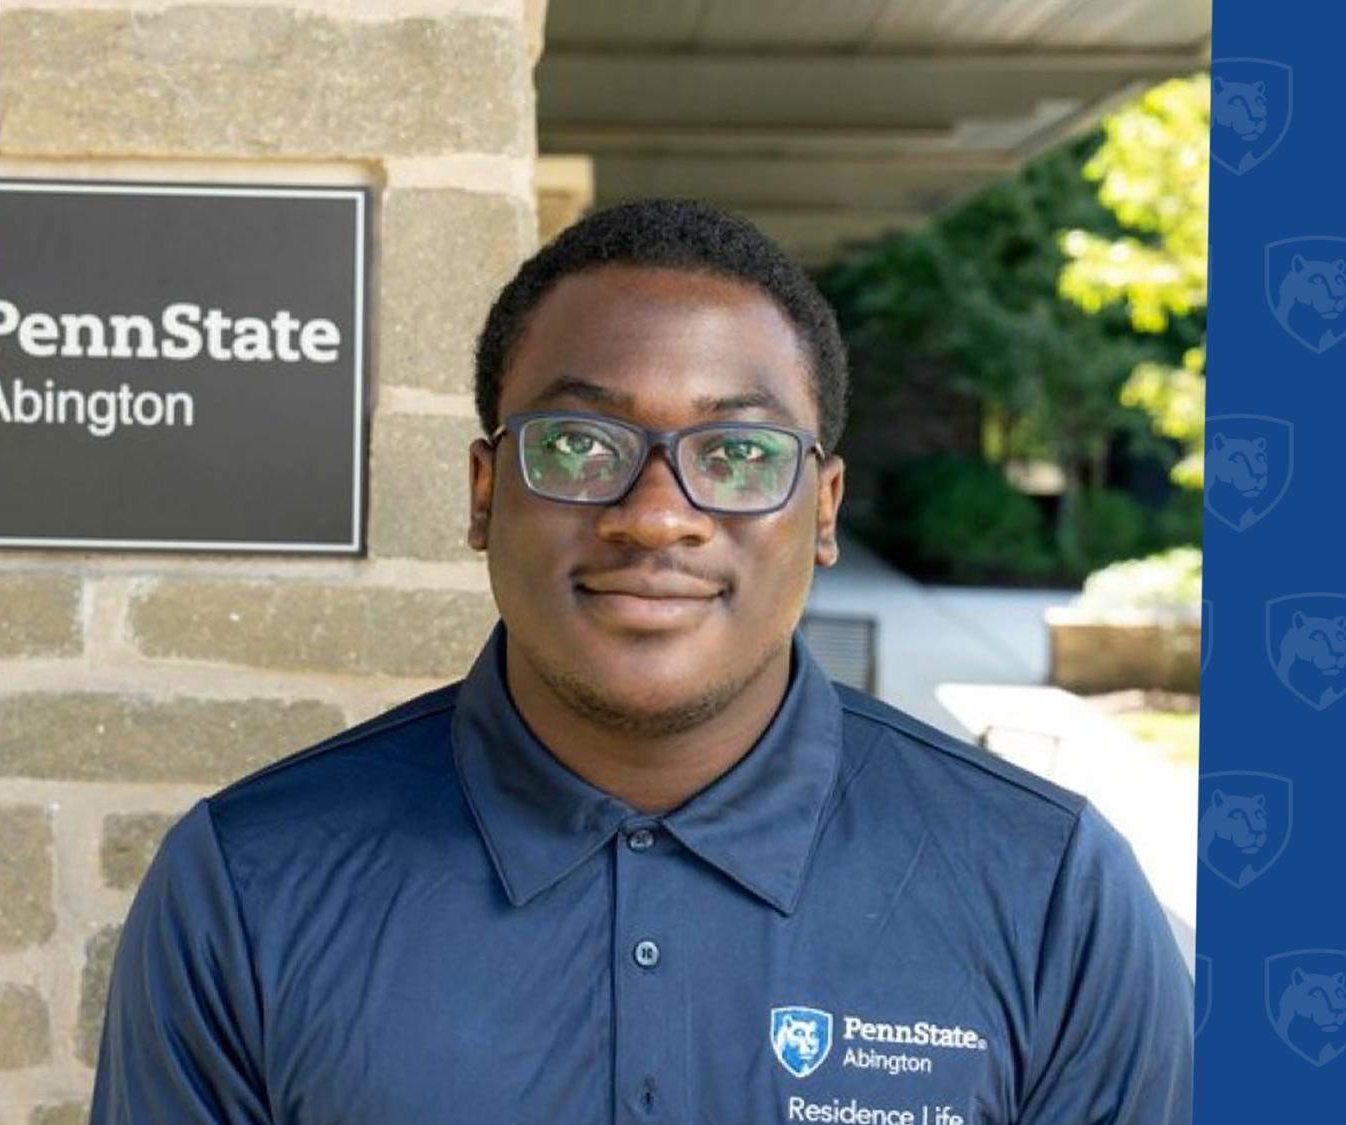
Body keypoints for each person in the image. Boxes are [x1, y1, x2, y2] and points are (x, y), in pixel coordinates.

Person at [90, 198, 1193, 1124]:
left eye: (739, 452)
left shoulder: (1051, 895)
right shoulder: (249, 887)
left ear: (822, 509)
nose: (657, 515)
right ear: (485, 493)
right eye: (579, 445)